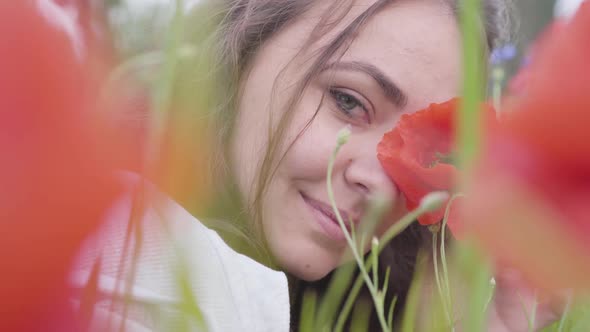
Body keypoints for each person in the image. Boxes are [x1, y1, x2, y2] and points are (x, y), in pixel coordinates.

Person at [70, 0, 530, 331]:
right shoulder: (112, 253)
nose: (379, 182)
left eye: (425, 153)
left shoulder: (385, 293)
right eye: (348, 101)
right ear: (243, 49)